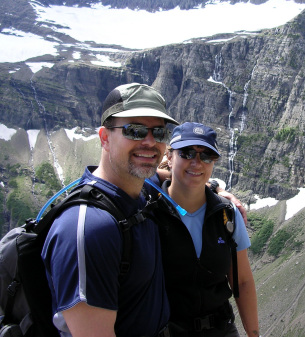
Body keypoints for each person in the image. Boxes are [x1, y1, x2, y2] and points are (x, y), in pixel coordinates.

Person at [41, 83, 177, 337]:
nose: (150, 142)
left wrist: (213, 189)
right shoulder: (89, 228)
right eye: (135, 131)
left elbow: (168, 177)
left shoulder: (141, 194)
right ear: (104, 138)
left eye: (159, 133)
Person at [152, 122, 260, 337]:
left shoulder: (227, 214)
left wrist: (253, 334)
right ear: (170, 156)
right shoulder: (150, 210)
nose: (197, 162)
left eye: (207, 156)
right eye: (187, 153)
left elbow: (242, 281)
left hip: (220, 329)